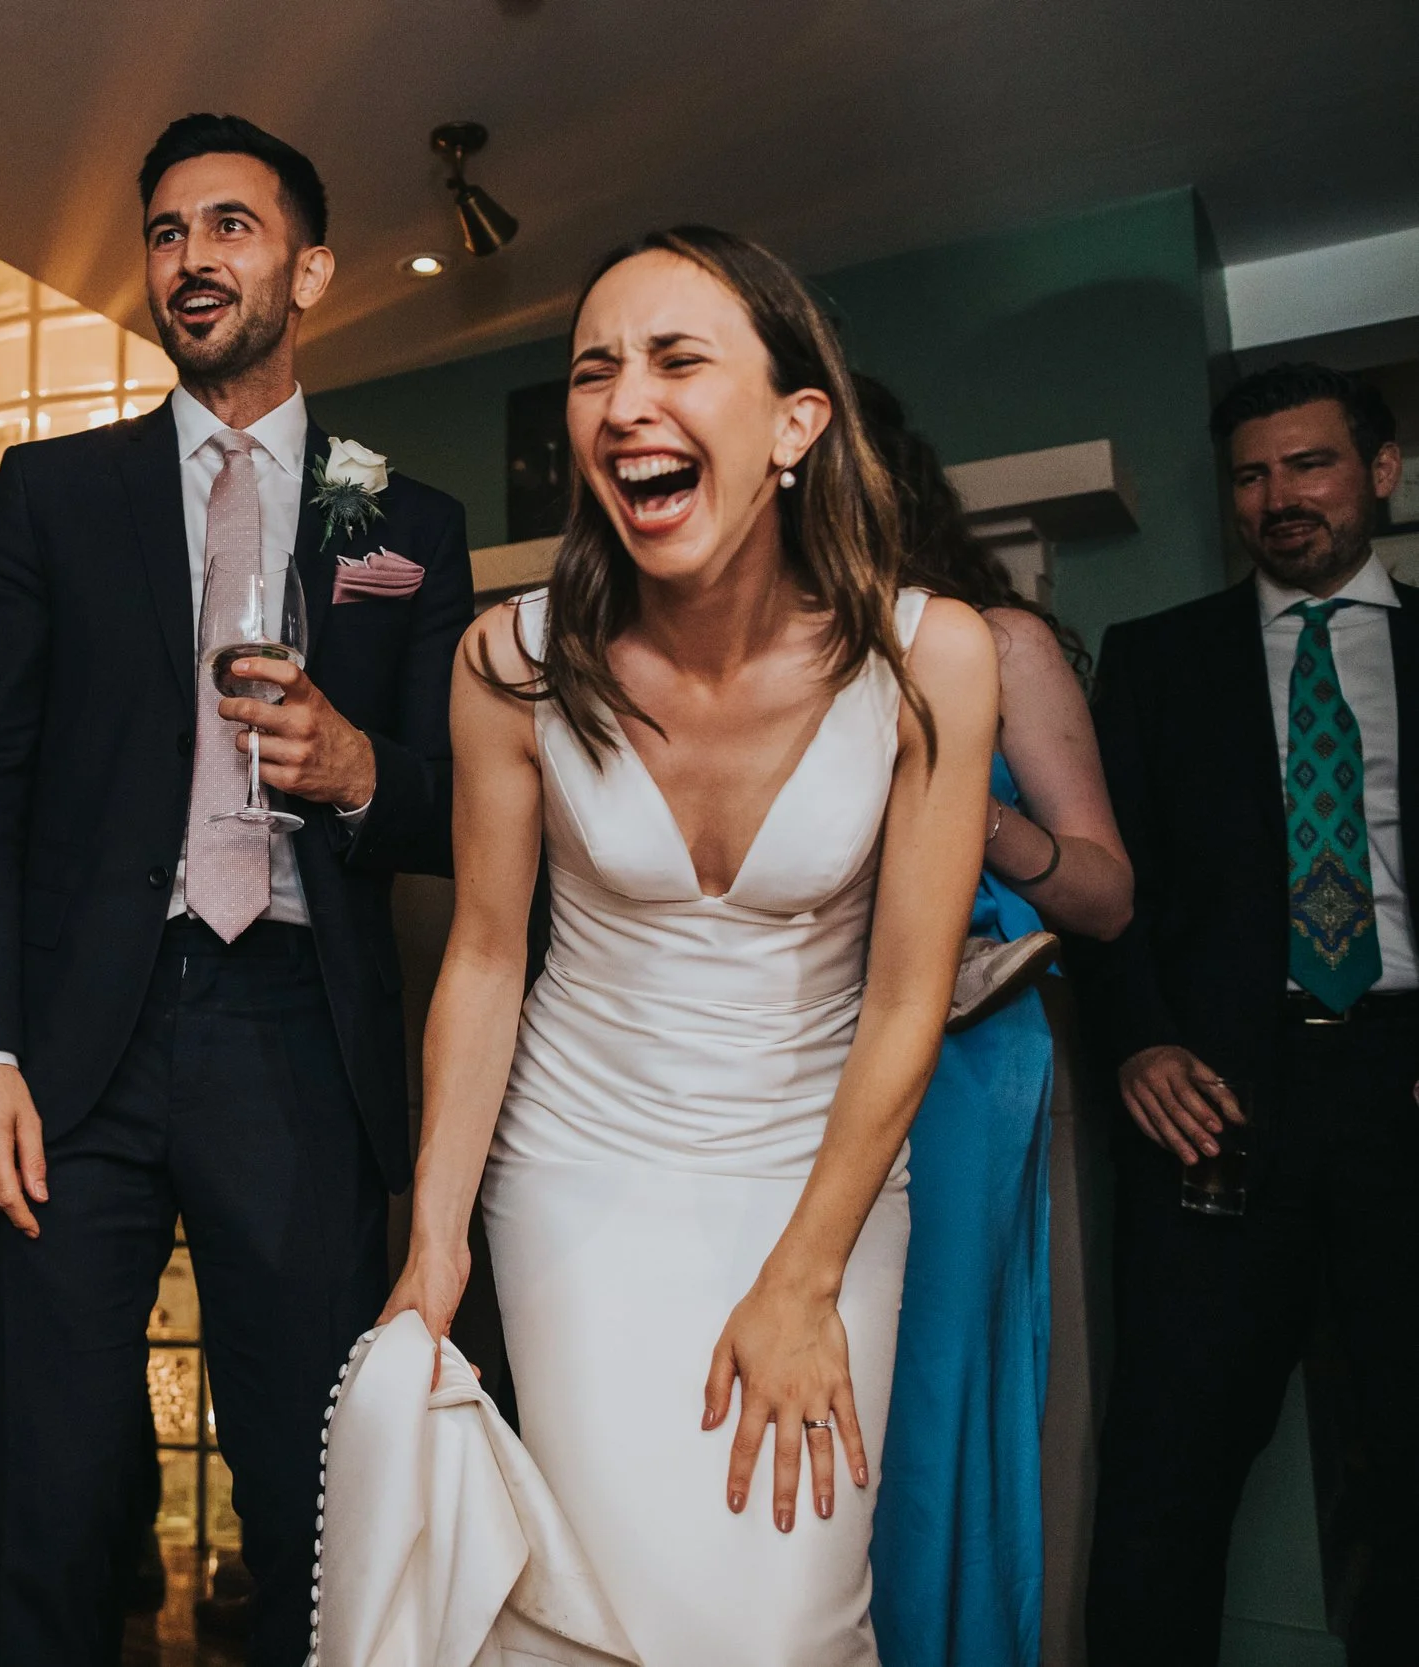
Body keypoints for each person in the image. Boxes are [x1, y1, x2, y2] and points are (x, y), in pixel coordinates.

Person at [379, 226, 997, 1665]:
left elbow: (909, 999)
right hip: (579, 1171)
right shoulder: (509, 664)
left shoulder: (932, 661)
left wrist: (802, 1272)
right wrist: (434, 1238)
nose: (623, 401)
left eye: (675, 358)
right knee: (612, 1607)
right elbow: (482, 958)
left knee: (784, 1613)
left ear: (794, 422)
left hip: (819, 1170)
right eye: (596, 370)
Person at [0, 113, 474, 1666]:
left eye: (229, 227)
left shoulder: (404, 518)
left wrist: (359, 763)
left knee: (311, 1485)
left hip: (295, 1027)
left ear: (306, 267)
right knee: (48, 1476)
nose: (191, 259)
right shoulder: (53, 492)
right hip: (71, 1048)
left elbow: (456, 803)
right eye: (166, 232)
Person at [1082, 362, 1415, 1664]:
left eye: (1311, 463)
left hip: (1404, 1089)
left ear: (1379, 471)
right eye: (1250, 473)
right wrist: (1140, 1035)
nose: (1279, 496)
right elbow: (1108, 882)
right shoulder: (1155, 664)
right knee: (1167, 1475)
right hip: (1211, 1105)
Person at [856, 380, 1133, 1667]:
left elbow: (1107, 894)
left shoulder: (999, 639)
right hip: (804, 1041)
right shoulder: (760, 654)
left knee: (927, 1392)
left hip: (969, 1052)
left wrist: (986, 822)